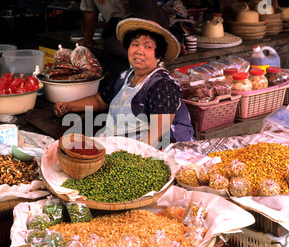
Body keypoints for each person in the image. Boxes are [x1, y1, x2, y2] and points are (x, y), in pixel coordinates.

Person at [54, 18, 195, 149]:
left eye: (148, 47)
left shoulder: (162, 85)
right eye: (135, 44)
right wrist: (69, 106)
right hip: (119, 147)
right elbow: (100, 100)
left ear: (159, 55)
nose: (139, 51)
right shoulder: (125, 76)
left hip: (152, 153)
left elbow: (160, 130)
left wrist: (131, 159)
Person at [79, 0, 170, 60]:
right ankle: (150, 56)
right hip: (124, 28)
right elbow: (90, 12)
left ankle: (158, 43)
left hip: (152, 20)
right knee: (110, 45)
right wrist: (87, 41)